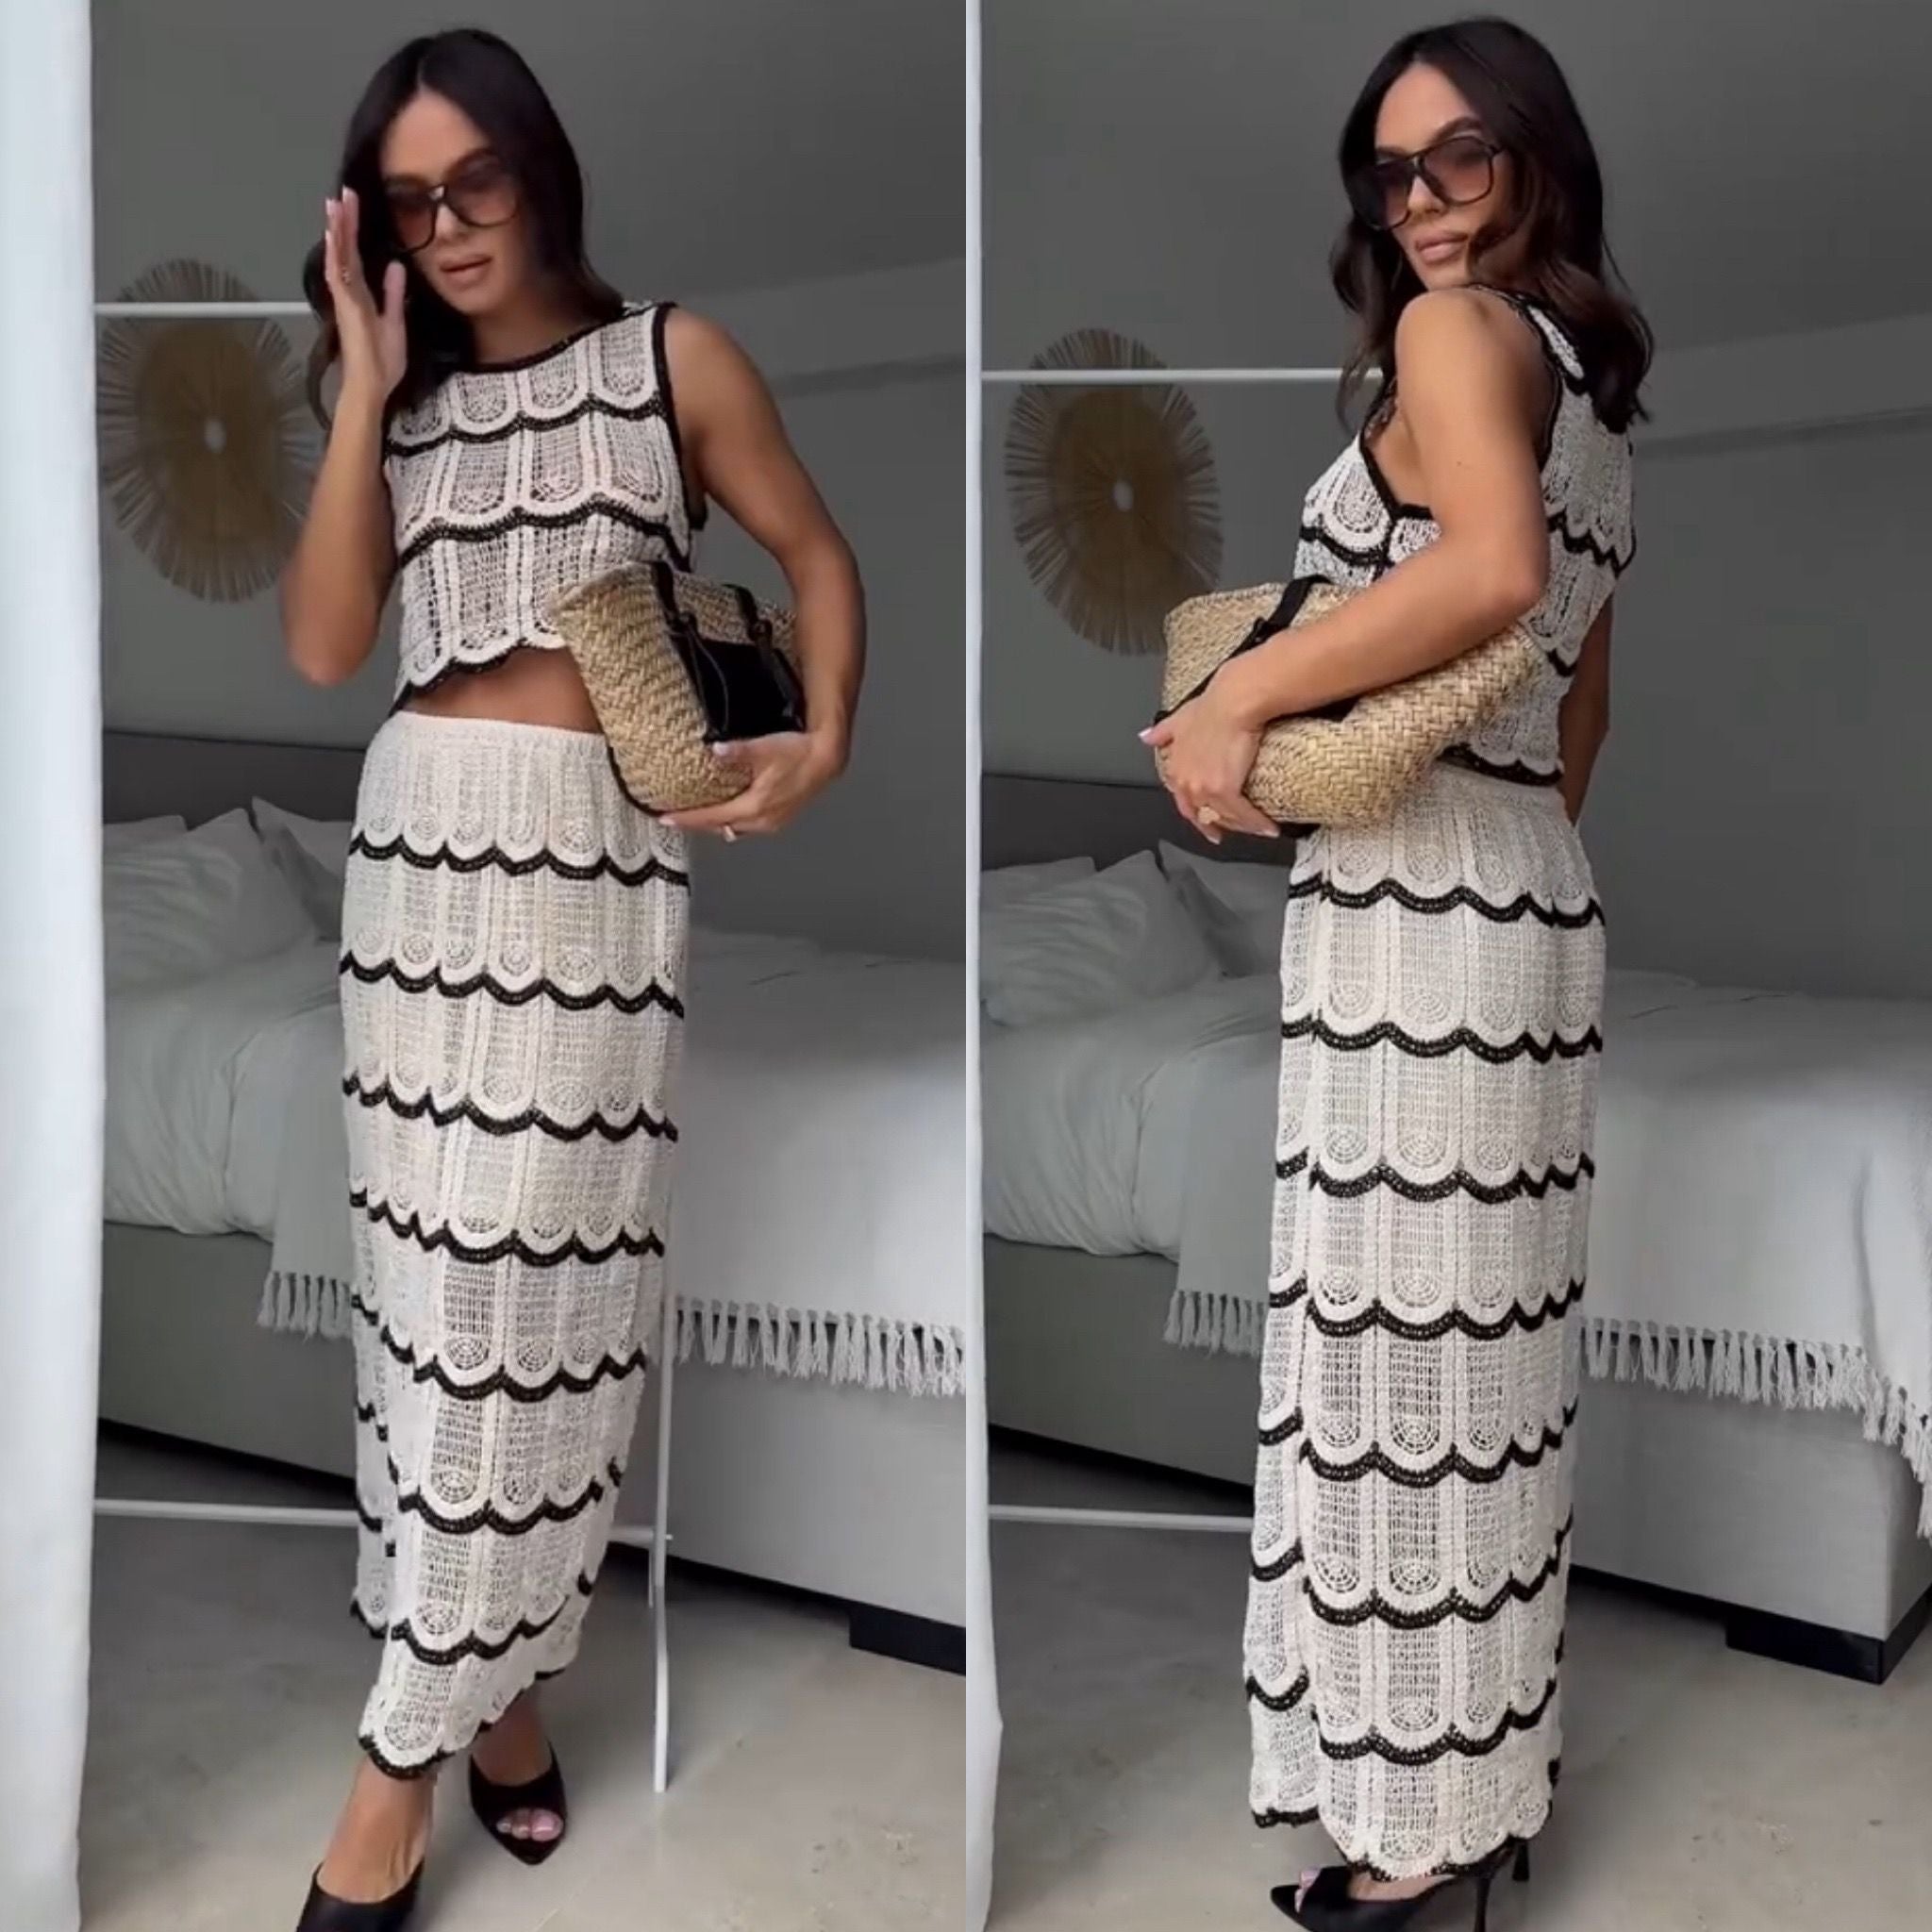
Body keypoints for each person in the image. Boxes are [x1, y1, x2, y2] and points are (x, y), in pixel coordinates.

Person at [278, 28, 863, 1930]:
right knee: (423, 1311)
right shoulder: (401, 400)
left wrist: (823, 741)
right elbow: (326, 647)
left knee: (534, 1300)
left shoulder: (670, 358)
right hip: (413, 859)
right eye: (411, 202)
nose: (450, 226)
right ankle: (506, 1702)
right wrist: (366, 392)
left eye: (478, 181)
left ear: (540, 169)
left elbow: (814, 553)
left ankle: (391, 1777)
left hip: (593, 863)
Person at [1142, 17, 1646, 1928]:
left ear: (1536, 160)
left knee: (1395, 1368)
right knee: (1483, 1367)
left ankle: (1414, 1837)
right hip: (1528, 892)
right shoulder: (1594, 400)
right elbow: (1581, 706)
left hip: (1420, 902)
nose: (1418, 199)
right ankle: (1478, 1783)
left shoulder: (1455, 336)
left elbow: (1491, 576)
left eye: (1460, 157)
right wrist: (1501, 845)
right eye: (1389, 167)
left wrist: (1239, 701)